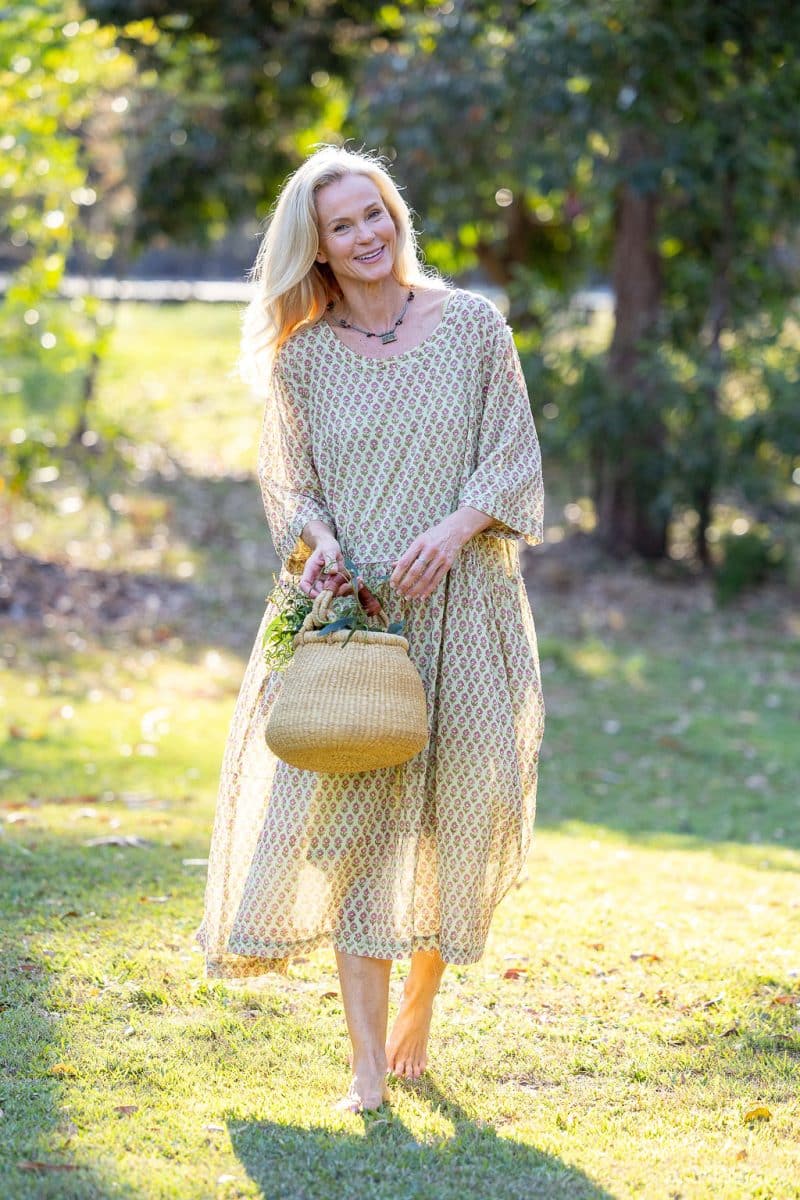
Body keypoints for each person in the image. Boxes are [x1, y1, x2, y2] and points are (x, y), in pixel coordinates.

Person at [194, 144, 545, 1113]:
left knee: (451, 826)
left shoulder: (473, 327)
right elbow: (290, 484)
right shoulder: (303, 357)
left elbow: (511, 458)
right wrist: (316, 544)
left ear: (396, 216)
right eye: (341, 225)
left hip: (462, 607)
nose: (364, 235)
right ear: (315, 248)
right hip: (354, 621)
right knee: (354, 832)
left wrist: (454, 526)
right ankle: (362, 1070)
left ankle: (416, 1017)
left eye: (374, 213)